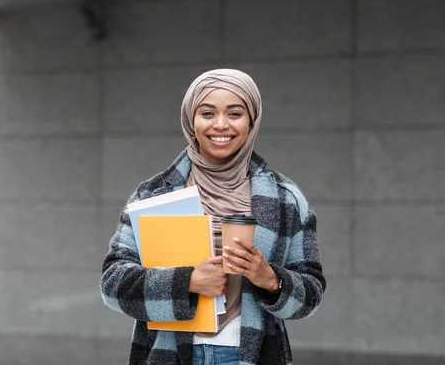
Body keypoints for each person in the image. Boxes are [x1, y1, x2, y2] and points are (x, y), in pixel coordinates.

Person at [100, 69, 326, 365]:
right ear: (191, 121)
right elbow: (113, 284)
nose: (221, 125)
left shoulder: (286, 199)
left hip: (252, 356)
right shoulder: (153, 194)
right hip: (169, 355)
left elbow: (311, 294)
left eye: (235, 113)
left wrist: (270, 279)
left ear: (252, 121)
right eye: (207, 113)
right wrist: (187, 282)